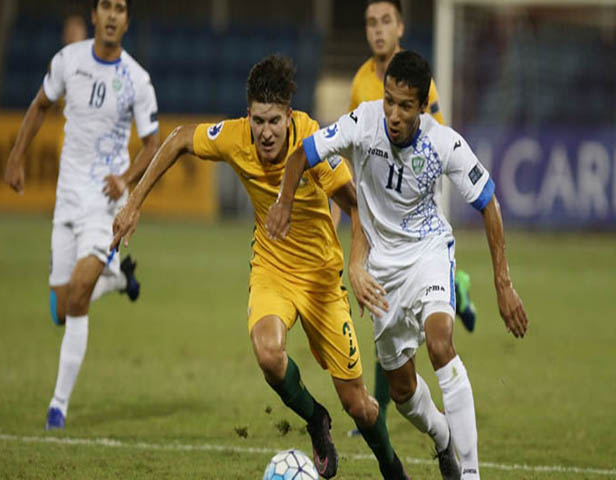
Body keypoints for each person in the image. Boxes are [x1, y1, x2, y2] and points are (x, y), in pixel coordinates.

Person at [111, 55, 411, 480]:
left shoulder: (314, 141)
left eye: (274, 120)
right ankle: (314, 419)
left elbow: (358, 209)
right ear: (246, 116)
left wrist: (358, 267)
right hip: (272, 268)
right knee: (269, 355)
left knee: (360, 406)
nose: (265, 132)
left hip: (323, 280)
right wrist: (133, 204)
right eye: (257, 120)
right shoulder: (235, 138)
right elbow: (178, 138)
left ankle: (392, 467)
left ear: (289, 115)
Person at [266, 50, 529, 480]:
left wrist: (503, 283)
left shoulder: (443, 142)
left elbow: (489, 204)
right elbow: (300, 156)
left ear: (422, 108)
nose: (392, 113)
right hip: (381, 270)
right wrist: (284, 202)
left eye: (404, 106)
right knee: (403, 391)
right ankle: (443, 439)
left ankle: (472, 474)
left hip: (427, 253)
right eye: (389, 100)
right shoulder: (363, 122)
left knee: (441, 341)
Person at [4, 0, 160, 430]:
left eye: (121, 8)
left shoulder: (136, 79)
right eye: (105, 6)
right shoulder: (67, 61)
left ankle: (58, 406)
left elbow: (152, 144)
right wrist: (17, 156)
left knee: (76, 297)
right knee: (61, 309)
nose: (112, 15)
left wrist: (126, 178)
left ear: (127, 20)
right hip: (66, 200)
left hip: (104, 206)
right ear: (94, 14)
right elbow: (39, 105)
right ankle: (116, 278)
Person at [337, 0, 477, 437]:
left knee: (411, 292)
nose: (377, 31)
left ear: (400, 27)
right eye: (371, 23)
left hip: (417, 201)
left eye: (385, 22)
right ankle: (458, 290)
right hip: (378, 203)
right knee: (383, 301)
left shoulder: (415, 79)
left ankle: (457, 287)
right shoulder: (361, 82)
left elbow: (433, 135)